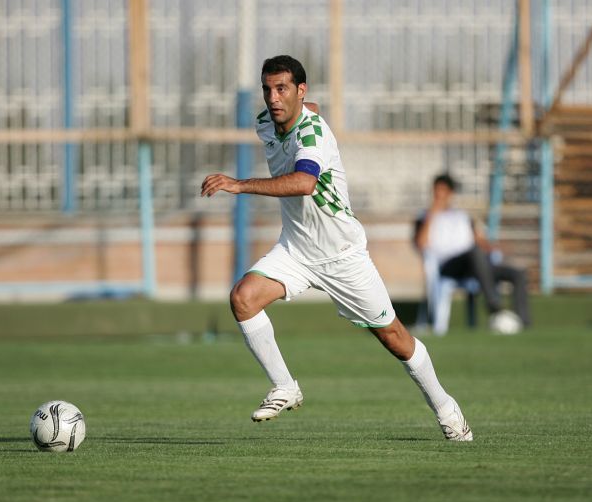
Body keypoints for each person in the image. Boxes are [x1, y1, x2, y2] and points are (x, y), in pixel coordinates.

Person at [201, 55, 472, 441]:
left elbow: (304, 183)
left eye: (282, 89)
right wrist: (302, 105)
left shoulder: (313, 135)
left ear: (300, 89)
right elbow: (308, 108)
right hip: (296, 249)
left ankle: (446, 408)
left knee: (394, 338)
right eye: (268, 89)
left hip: (342, 255)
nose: (273, 98)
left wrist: (239, 184)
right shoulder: (266, 122)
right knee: (243, 298)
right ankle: (285, 387)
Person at [414, 174, 530, 328]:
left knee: (518, 273)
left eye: (444, 191)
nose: (440, 195)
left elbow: (480, 241)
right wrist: (432, 214)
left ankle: (523, 322)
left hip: (475, 265)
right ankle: (494, 306)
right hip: (449, 266)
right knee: (474, 252)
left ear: (451, 193)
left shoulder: (462, 216)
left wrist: (493, 248)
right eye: (437, 191)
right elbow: (421, 244)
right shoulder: (424, 217)